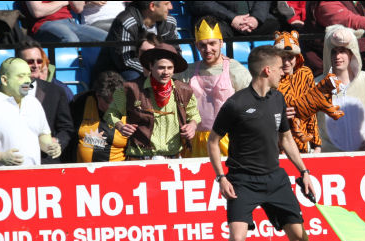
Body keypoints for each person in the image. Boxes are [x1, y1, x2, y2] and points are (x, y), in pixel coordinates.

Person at [206, 45, 332, 241]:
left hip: (276, 179)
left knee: (300, 238)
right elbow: (212, 142)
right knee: (237, 239)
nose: (282, 71)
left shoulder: (278, 99)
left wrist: (304, 171)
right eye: (278, 67)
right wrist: (221, 177)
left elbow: (286, 139)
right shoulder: (236, 104)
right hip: (242, 180)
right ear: (266, 70)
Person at [104, 42, 201, 160]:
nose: (166, 72)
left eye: (170, 68)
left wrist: (192, 125)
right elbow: (111, 113)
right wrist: (120, 126)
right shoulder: (129, 89)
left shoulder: (185, 90)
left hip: (173, 159)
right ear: (151, 66)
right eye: (161, 67)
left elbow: (194, 115)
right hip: (140, 159)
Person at [0, 58, 60, 167]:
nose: (27, 80)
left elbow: (42, 135)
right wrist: (0, 156)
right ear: (4, 80)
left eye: (28, 75)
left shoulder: (34, 103)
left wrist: (50, 146)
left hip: (32, 179)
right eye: (21, 76)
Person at [175, 16, 252, 157]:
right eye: (202, 45)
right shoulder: (187, 72)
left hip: (228, 140)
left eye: (212, 43)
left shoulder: (236, 70)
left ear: (221, 43)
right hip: (195, 141)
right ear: (196, 45)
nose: (207, 49)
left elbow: (251, 104)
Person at [314, 24, 365, 152]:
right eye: (334, 52)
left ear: (351, 52)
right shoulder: (316, 86)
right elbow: (309, 124)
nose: (338, 57)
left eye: (342, 51)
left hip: (364, 155)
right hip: (330, 159)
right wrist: (316, 146)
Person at [16, 40, 75, 164]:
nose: (36, 65)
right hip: (15, 160)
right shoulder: (3, 94)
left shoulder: (56, 91)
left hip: (46, 160)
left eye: (39, 61)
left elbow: (66, 128)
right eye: (30, 61)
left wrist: (57, 141)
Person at [92, 1, 177, 83]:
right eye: (166, 4)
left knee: (177, 77)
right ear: (152, 6)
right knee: (133, 76)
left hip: (159, 68)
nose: (171, 7)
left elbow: (176, 51)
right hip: (119, 72)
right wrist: (153, 70)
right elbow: (125, 60)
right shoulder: (126, 21)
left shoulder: (169, 22)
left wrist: (165, 69)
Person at [68, 71, 127, 162]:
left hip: (116, 173)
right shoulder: (80, 102)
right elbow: (67, 132)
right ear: (98, 96)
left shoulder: (131, 108)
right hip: (81, 172)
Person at [18, 1, 108, 43]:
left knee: (108, 39)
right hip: (45, 24)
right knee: (70, 39)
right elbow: (37, 11)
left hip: (70, 23)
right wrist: (62, 2)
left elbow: (78, 8)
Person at [187, 2, 280, 38]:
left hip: (250, 22)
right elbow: (199, 3)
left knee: (274, 25)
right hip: (220, 20)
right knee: (212, 30)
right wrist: (232, 18)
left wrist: (256, 19)